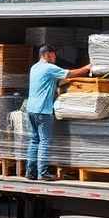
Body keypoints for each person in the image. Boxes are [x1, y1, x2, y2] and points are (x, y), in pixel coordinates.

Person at [26, 45, 91, 181]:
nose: (55, 58)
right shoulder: (49, 68)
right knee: (44, 141)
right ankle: (42, 173)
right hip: (43, 110)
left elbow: (49, 81)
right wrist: (87, 68)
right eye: (54, 55)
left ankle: (30, 172)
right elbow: (69, 74)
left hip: (31, 109)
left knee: (34, 140)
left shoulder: (35, 67)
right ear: (48, 54)